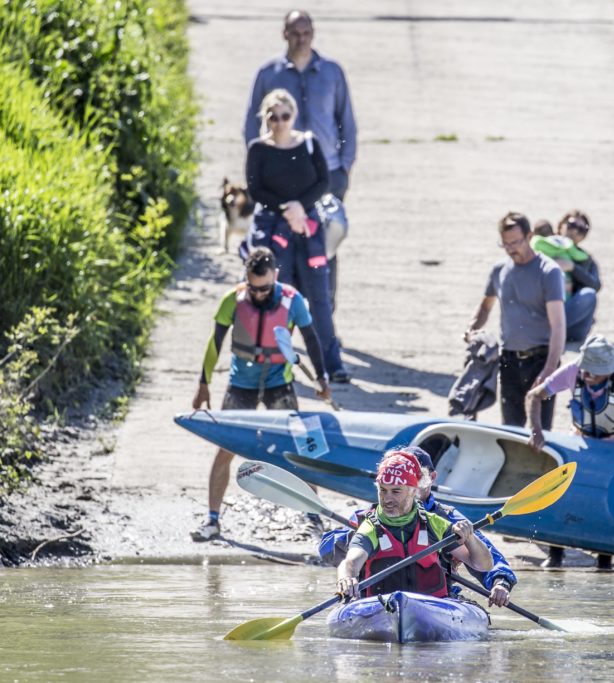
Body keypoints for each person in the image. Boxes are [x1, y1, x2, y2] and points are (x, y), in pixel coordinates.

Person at [190, 247, 332, 541]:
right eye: (254, 289)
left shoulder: (293, 301)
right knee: (225, 448)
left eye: (265, 288)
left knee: (303, 447)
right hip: (241, 383)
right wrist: (203, 383)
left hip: (280, 382)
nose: (259, 294)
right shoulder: (233, 299)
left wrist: (322, 378)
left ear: (276, 276)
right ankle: (213, 520)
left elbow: (311, 339)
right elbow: (215, 343)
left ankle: (314, 517)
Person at [243, 9, 357, 312]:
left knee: (325, 246)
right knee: (281, 245)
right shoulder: (269, 73)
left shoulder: (332, 72)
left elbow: (346, 121)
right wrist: (259, 167)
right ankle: (281, 314)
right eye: (295, 33)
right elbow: (251, 123)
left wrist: (344, 164)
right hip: (280, 183)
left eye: (306, 32)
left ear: (313, 33)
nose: (301, 39)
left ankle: (323, 314)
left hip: (328, 174)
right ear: (284, 34)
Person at [526, 334, 614, 569]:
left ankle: (605, 560)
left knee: (608, 499)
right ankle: (555, 554)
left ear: (608, 371)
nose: (588, 375)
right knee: (563, 494)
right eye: (586, 369)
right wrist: (536, 430)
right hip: (582, 438)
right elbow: (534, 396)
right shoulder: (572, 371)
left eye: (594, 371)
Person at [319, 446, 517, 607]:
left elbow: (485, 561)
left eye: (397, 489)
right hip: (380, 601)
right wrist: (354, 544)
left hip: (434, 601)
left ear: (424, 480)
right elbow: (336, 555)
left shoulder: (443, 520)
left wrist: (500, 581)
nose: (388, 499)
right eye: (384, 489)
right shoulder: (368, 521)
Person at [245, 88, 350, 384]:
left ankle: (332, 364)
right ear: (266, 118)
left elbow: (323, 182)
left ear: (294, 116)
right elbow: (255, 189)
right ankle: (272, 362)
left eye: (285, 115)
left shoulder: (308, 144)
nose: (279, 122)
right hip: (275, 228)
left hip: (307, 227)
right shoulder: (258, 148)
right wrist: (284, 209)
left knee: (319, 296)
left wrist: (298, 208)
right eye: (273, 116)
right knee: (278, 294)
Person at [465, 212, 566, 430]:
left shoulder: (548, 272)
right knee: (510, 427)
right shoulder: (499, 270)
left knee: (540, 429)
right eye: (506, 244)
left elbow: (558, 325)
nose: (511, 248)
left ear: (529, 236)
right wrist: (473, 327)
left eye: (516, 242)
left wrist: (549, 369)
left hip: (541, 358)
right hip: (508, 359)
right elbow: (485, 306)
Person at [557, 211, 601, 342]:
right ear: (561, 225)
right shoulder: (544, 246)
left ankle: (552, 331)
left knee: (589, 295)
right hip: (543, 314)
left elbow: (595, 285)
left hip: (571, 325)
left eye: (581, 229)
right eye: (571, 225)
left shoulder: (586, 259)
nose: (575, 231)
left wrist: (573, 268)